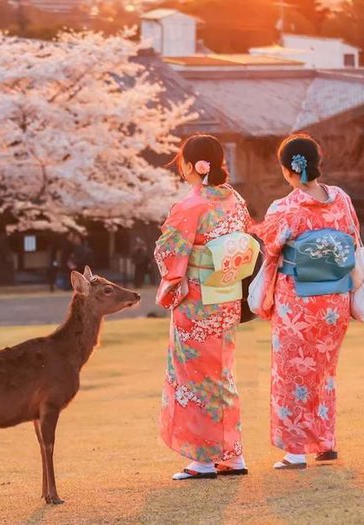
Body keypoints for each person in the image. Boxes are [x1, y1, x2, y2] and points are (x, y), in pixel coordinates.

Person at [248, 133, 360, 470]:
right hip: (334, 300)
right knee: (324, 372)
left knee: (292, 374)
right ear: (317, 162)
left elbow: (271, 249)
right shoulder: (341, 199)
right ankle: (325, 442)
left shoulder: (285, 207)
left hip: (298, 301)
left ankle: (295, 451)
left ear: (287, 170)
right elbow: (353, 238)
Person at [154, 134, 256, 479]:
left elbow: (170, 252)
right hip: (226, 296)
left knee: (196, 376)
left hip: (197, 302)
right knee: (221, 373)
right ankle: (232, 454)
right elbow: (245, 240)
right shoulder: (235, 201)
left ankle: (203, 458)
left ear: (191, 166)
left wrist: (172, 281)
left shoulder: (191, 205)